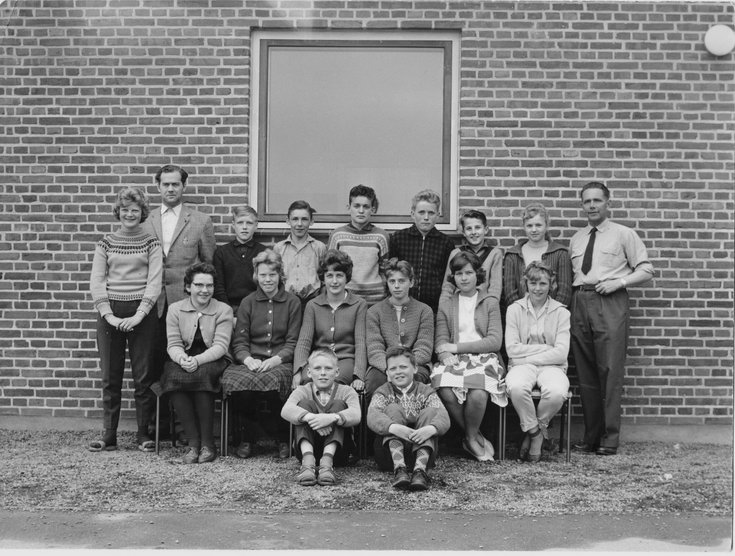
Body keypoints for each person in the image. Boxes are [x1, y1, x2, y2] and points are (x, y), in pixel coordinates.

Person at [569, 182, 654, 456]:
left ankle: (609, 438)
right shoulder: (577, 238)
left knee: (610, 370)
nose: (592, 205)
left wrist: (619, 282)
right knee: (585, 372)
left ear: (608, 203)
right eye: (587, 201)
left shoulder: (623, 234)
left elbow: (646, 270)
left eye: (597, 200)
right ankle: (591, 437)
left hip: (609, 301)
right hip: (580, 301)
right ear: (582, 205)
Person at [142, 164, 216, 437]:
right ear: (158, 186)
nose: (171, 189)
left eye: (176, 184)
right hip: (153, 304)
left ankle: (185, 428)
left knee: (186, 363)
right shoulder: (145, 220)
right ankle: (158, 426)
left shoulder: (200, 221)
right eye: (166, 184)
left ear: (184, 186)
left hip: (187, 307)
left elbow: (208, 265)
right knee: (152, 364)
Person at [88, 187, 162, 453]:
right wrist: (108, 314)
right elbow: (97, 281)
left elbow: (155, 281)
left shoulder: (151, 242)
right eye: (125, 209)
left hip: (143, 313)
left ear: (142, 213)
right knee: (110, 375)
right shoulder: (105, 243)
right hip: (110, 312)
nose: (129, 214)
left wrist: (139, 314)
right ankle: (109, 435)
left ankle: (144, 434)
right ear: (117, 212)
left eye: (135, 210)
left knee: (143, 376)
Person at [220, 250, 302, 459]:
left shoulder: (292, 302)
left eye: (272, 275)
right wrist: (248, 359)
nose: (267, 280)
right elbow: (239, 341)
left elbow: (293, 341)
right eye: (263, 275)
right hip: (251, 360)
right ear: (256, 275)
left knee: (276, 383)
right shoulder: (248, 302)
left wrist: (276, 360)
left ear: (280, 276)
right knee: (241, 384)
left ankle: (283, 439)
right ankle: (246, 439)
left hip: (280, 360)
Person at [432, 251, 507, 462]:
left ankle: (471, 438)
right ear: (453, 277)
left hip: (485, 357)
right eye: (459, 274)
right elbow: (440, 340)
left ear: (477, 274)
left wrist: (454, 347)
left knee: (479, 392)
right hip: (456, 358)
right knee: (443, 386)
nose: (464, 278)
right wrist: (445, 353)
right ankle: (474, 435)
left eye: (468, 273)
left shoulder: (490, 302)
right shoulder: (447, 304)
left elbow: (494, 341)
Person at [158, 263, 233, 464]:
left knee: (202, 376)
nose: (204, 290)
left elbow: (221, 346)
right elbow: (173, 344)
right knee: (172, 377)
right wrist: (182, 359)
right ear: (188, 286)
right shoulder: (175, 309)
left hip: (213, 358)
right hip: (183, 357)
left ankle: (208, 444)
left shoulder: (223, 310)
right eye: (199, 285)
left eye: (209, 285)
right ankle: (193, 443)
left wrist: (197, 361)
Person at [504, 261, 570, 463]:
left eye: (543, 283)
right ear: (526, 284)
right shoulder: (514, 309)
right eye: (533, 283)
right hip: (521, 366)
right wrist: (546, 348)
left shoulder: (561, 312)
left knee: (557, 392)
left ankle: (535, 431)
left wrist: (526, 354)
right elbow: (511, 349)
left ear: (551, 284)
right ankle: (535, 433)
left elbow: (561, 353)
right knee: (516, 387)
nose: (538, 288)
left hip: (553, 366)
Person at [367, 346, 450, 492]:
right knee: (393, 408)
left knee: (430, 411)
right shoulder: (383, 392)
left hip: (422, 451)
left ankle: (420, 471)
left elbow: (443, 416)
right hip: (389, 455)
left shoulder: (426, 391)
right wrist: (394, 427)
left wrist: (430, 429)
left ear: (415, 368)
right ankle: (400, 469)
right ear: (387, 373)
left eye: (403, 367)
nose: (398, 372)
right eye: (393, 369)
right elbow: (372, 416)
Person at [281, 349, 361, 486]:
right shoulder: (303, 390)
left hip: (339, 453)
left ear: (337, 372)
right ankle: (307, 464)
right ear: (309, 372)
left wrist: (332, 418)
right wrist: (311, 418)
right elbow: (286, 410)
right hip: (307, 450)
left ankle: (327, 464)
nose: (323, 373)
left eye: (328, 368)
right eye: (317, 368)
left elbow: (356, 414)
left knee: (338, 405)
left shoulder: (347, 391)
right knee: (304, 405)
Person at [293, 249, 367, 391]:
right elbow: (304, 342)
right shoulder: (313, 305)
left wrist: (358, 375)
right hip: (318, 358)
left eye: (339, 275)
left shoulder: (359, 304)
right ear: (323, 278)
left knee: (335, 380)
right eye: (329, 276)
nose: (334, 281)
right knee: (307, 380)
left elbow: (361, 343)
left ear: (346, 278)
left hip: (345, 360)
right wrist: (298, 371)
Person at [365, 258, 434, 396]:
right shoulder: (374, 312)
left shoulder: (424, 311)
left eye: (401, 281)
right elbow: (374, 349)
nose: (396, 286)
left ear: (411, 282)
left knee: (415, 380)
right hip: (383, 365)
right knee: (375, 383)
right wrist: (390, 368)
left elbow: (424, 347)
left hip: (416, 364)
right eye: (392, 281)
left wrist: (404, 367)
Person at [388, 189, 455, 313]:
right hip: (402, 305)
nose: (426, 217)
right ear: (412, 214)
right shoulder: (398, 238)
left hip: (433, 307)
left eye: (431, 213)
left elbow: (447, 279)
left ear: (438, 215)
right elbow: (390, 272)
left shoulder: (446, 243)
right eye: (421, 212)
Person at [327, 185, 389, 306]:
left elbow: (385, 270)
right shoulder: (337, 235)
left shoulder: (381, 236)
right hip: (346, 300)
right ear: (349, 208)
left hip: (375, 301)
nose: (361, 211)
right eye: (356, 206)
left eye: (366, 207)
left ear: (373, 209)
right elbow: (330, 269)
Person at [502, 203, 572, 309]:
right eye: (529, 226)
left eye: (538, 225)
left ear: (546, 226)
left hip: (552, 314)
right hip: (521, 314)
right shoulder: (513, 255)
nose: (534, 230)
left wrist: (551, 313)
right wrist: (522, 313)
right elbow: (509, 292)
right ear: (524, 227)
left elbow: (564, 291)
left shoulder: (560, 253)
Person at [440, 210, 503, 304]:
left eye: (477, 227)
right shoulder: (456, 253)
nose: (473, 232)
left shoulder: (494, 254)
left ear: (486, 229)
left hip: (483, 306)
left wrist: (490, 308)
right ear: (463, 232)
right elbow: (448, 286)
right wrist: (443, 307)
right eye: (469, 228)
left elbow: (495, 289)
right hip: (459, 305)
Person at [274, 200, 327, 311]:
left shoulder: (319, 247)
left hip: (313, 302)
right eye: (295, 219)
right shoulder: (279, 248)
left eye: (304, 219)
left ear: (311, 221)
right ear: (288, 221)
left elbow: (324, 278)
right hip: (286, 303)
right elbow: (276, 278)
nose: (299, 224)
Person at [213, 205, 267, 313]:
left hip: (256, 308)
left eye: (249, 223)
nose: (244, 227)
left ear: (256, 225)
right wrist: (228, 310)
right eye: (240, 223)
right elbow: (218, 287)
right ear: (233, 225)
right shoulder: (221, 252)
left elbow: (265, 284)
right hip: (228, 308)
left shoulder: (263, 252)